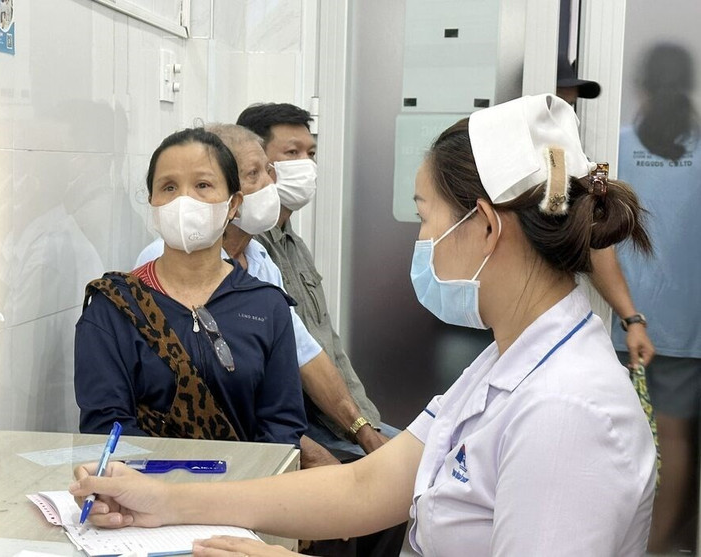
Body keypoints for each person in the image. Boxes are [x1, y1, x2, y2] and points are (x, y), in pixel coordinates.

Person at [70, 94, 658, 556]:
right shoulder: (506, 364)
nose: (421, 241)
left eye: (424, 215)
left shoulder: (566, 412)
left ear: (484, 226)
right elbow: (366, 487)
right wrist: (164, 501)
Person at [135, 124, 389, 468]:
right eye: (254, 174)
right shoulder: (165, 266)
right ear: (228, 196)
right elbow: (220, 388)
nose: (271, 185)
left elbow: (305, 353)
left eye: (269, 171)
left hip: (275, 434)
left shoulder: (259, 259)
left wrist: (364, 432)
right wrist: (314, 457)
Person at [74, 127, 307, 447]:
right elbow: (106, 427)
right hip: (144, 489)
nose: (184, 201)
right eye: (168, 187)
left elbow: (282, 427)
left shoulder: (266, 306)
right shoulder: (113, 308)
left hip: (247, 490)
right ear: (153, 202)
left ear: (233, 205)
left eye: (202, 185)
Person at [235, 103, 399, 453]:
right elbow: (295, 361)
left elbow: (327, 344)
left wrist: (365, 421)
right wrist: (361, 434)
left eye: (310, 153)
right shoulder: (245, 249)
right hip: (310, 430)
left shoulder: (293, 245)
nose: (306, 165)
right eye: (291, 153)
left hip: (348, 421)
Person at [613, 42, 701, 554]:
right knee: (674, 440)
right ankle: (653, 548)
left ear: (640, 86)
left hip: (619, 322)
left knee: (612, 441)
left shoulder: (615, 145)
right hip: (686, 328)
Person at [555, 56, 656, 369]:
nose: (564, 117)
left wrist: (632, 319)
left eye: (569, 108)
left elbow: (597, 243)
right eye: (556, 104)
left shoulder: (576, 165)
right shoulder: (502, 166)